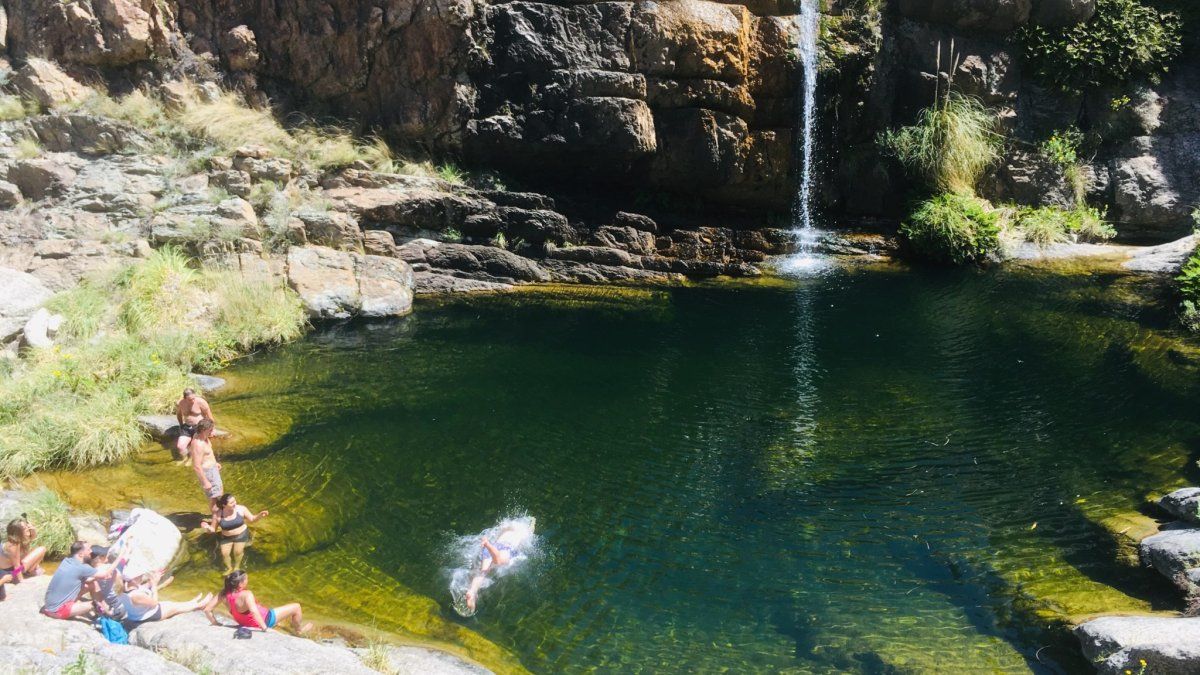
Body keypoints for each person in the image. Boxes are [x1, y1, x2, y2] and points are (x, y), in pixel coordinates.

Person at [203, 570, 311, 634]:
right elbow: (254, 612)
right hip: (266, 619)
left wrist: (215, 623)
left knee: (276, 613)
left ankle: (282, 623)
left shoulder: (224, 593)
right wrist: (265, 629)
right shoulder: (247, 594)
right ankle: (299, 631)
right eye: (246, 580)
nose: (247, 581)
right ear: (240, 584)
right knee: (296, 607)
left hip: (244, 623)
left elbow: (207, 610)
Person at [41, 541, 121, 620]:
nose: (91, 551)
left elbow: (88, 580)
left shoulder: (66, 561)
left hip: (48, 606)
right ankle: (107, 613)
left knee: (92, 584)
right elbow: (105, 574)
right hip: (57, 611)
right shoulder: (82, 567)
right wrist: (120, 557)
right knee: (94, 604)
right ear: (80, 554)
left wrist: (96, 577)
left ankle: (107, 610)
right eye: (88, 549)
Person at [200, 493, 268, 574]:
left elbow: (252, 519)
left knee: (238, 552)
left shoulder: (241, 509)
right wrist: (207, 527)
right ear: (224, 505)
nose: (235, 503)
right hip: (226, 537)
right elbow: (212, 530)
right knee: (224, 553)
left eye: (234, 501)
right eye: (231, 503)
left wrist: (260, 515)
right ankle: (229, 568)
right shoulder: (218, 514)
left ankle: (237, 567)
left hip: (241, 534)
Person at [118, 570, 211, 625]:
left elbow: (143, 587)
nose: (142, 576)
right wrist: (154, 585)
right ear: (133, 580)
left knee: (171, 604)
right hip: (148, 617)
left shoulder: (125, 588)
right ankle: (199, 605)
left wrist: (155, 579)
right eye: (140, 576)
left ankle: (192, 602)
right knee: (174, 607)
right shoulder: (135, 596)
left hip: (138, 614)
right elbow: (154, 603)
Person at [464, 527, 523, 613]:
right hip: (505, 548)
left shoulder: (505, 530)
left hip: (495, 547)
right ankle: (488, 545)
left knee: (484, 572)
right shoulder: (521, 532)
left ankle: (472, 591)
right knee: (500, 562)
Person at [1, 515, 48, 587]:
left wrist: (33, 531)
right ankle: (29, 572)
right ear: (18, 532)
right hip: (11, 573)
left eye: (26, 526)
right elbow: (16, 565)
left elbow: (29, 543)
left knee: (40, 550)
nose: (27, 528)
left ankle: (31, 571)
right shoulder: (13, 545)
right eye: (24, 528)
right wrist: (22, 581)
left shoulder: (16, 540)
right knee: (41, 549)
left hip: (12, 570)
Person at [189, 419, 223, 519]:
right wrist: (205, 482)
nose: (213, 432)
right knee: (215, 498)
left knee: (219, 494)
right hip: (208, 473)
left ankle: (218, 515)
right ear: (204, 430)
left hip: (213, 469)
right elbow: (196, 466)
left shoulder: (203, 437)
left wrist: (215, 462)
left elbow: (207, 454)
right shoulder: (198, 444)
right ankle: (215, 519)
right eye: (211, 430)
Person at [175, 387, 214, 463]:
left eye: (194, 398)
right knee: (180, 446)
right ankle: (185, 457)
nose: (193, 401)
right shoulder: (181, 403)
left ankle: (192, 458)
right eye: (190, 399)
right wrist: (181, 425)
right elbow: (179, 414)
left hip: (199, 427)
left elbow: (210, 416)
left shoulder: (201, 402)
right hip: (187, 427)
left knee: (200, 445)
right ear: (185, 398)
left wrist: (211, 429)